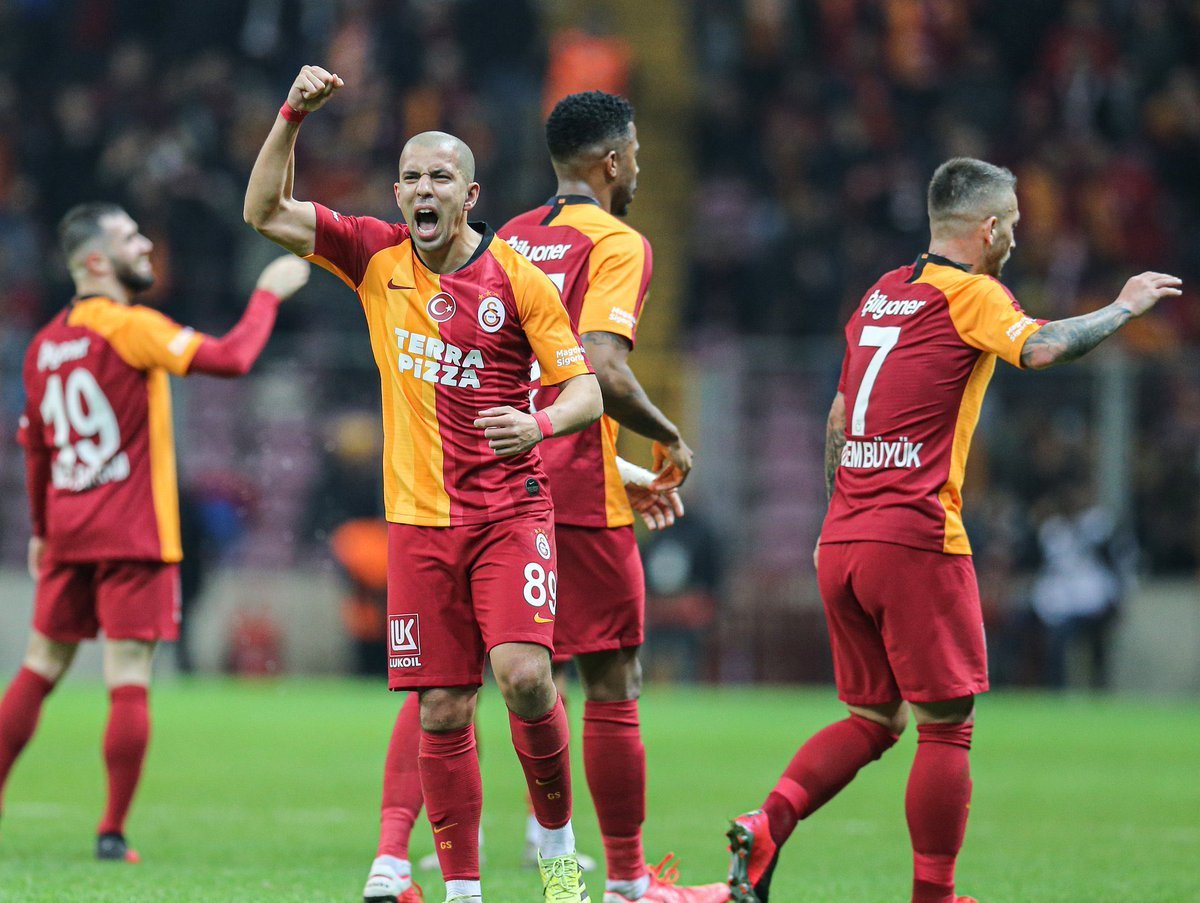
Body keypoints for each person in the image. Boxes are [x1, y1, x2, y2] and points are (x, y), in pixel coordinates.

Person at [724, 157, 1181, 903]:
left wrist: (839, 515)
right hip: (915, 537)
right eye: (1015, 225)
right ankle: (934, 896)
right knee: (946, 726)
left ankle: (768, 820)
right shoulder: (973, 293)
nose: (1018, 239)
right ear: (990, 228)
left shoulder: (880, 293)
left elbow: (838, 417)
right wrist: (1124, 307)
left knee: (874, 718)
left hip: (842, 538)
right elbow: (1042, 347)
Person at [244, 65, 604, 903]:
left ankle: (557, 850)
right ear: (398, 193)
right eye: (410, 177)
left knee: (524, 676)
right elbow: (263, 210)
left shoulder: (517, 279)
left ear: (469, 194)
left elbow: (584, 389)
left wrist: (540, 423)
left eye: (439, 176)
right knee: (441, 707)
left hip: (510, 511)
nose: (422, 190)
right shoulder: (373, 254)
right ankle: (463, 890)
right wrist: (292, 115)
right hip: (416, 522)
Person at [0, 202, 309, 862]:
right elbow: (231, 357)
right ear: (94, 261)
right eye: (129, 237)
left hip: (69, 531)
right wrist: (267, 293)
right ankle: (111, 832)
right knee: (128, 675)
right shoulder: (130, 327)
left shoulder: (44, 344)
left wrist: (41, 529)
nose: (145, 245)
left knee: (40, 666)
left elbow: (36, 451)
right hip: (133, 533)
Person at [498, 89, 726, 903]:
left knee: (509, 680)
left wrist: (619, 465)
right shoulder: (617, 241)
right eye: (636, 156)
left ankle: (545, 862)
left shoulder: (506, 237)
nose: (639, 170)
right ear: (613, 160)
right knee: (613, 679)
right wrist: (668, 435)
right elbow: (600, 366)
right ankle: (629, 881)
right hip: (573, 491)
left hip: (497, 483)